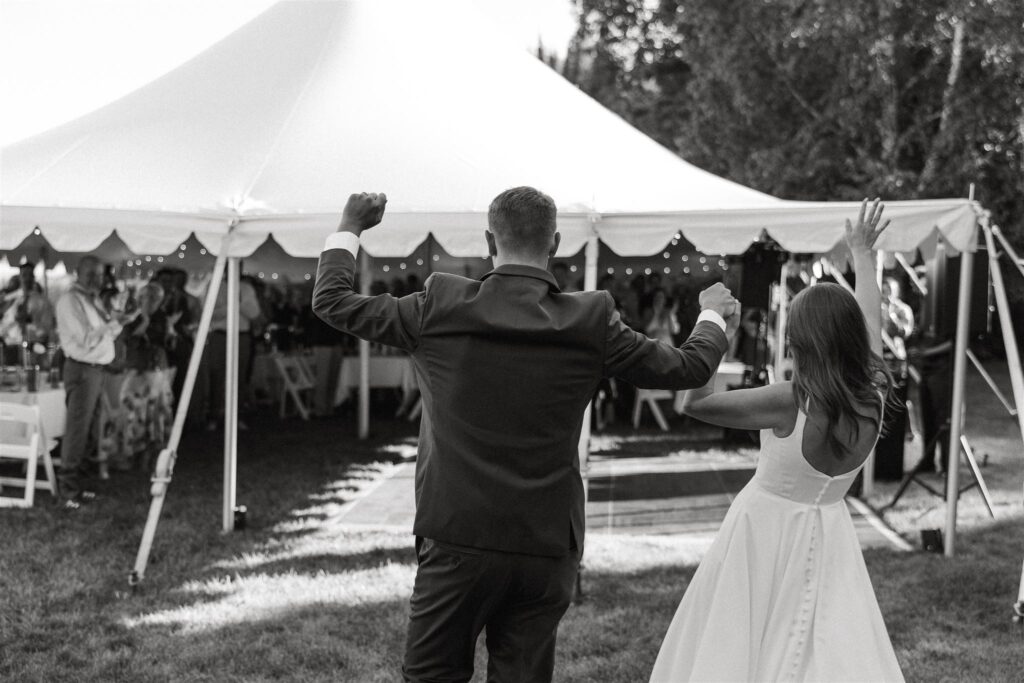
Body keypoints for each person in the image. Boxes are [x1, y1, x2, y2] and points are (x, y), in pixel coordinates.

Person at [313, 187, 735, 682]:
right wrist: (711, 313)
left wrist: (351, 224)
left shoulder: (441, 304)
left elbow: (333, 300)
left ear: (489, 239)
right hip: (546, 541)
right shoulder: (592, 319)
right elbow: (689, 366)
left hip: (457, 536)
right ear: (554, 244)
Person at [649, 199, 903, 682]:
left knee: (739, 643)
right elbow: (872, 328)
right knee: (822, 646)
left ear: (802, 342)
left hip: (761, 532)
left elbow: (694, 400)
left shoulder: (791, 399)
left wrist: (712, 320)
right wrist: (864, 258)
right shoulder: (872, 391)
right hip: (829, 531)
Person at [54, 256, 136, 509]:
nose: (96, 279)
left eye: (99, 275)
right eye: (90, 274)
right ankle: (67, 491)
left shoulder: (92, 299)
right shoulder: (70, 301)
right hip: (82, 370)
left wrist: (118, 323)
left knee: (91, 429)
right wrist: (113, 323)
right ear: (78, 273)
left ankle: (79, 486)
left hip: (96, 370)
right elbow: (87, 339)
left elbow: (105, 334)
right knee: (78, 429)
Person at [0, 261, 56, 357]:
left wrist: (31, 322)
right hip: (10, 347)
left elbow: (48, 327)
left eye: (30, 275)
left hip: (34, 347)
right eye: (24, 275)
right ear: (19, 277)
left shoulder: (42, 301)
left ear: (34, 277)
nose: (27, 279)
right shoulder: (10, 299)